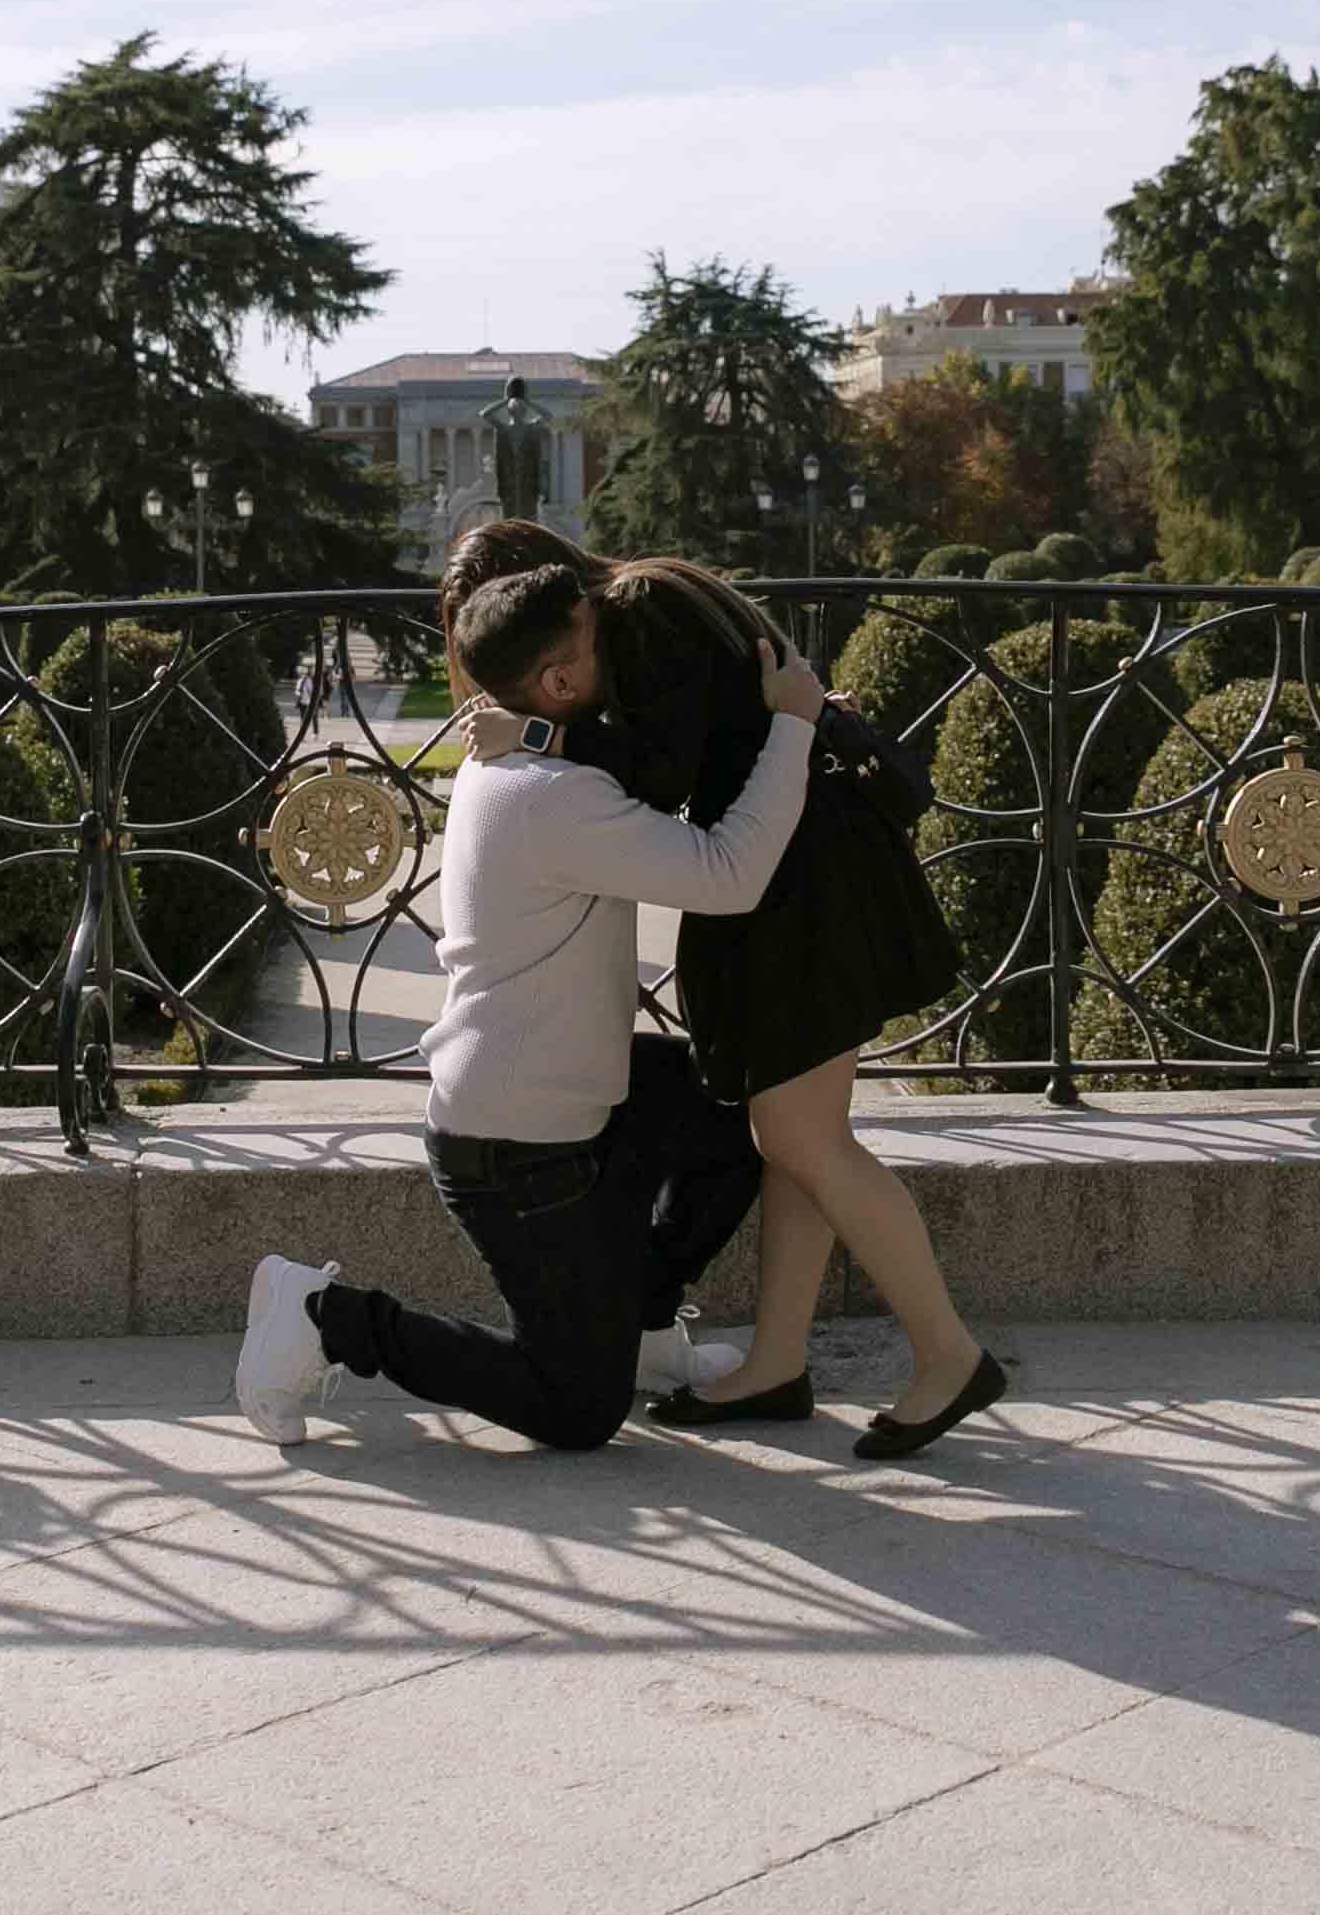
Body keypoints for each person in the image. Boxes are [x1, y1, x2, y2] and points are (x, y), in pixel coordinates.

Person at [443, 522, 1000, 1461]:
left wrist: (541, 732)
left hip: (801, 881)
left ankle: (949, 1353)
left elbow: (661, 775)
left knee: (800, 1138)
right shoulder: (638, 602)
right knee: (794, 1141)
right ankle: (775, 1364)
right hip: (789, 869)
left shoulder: (636, 608)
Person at [231, 571, 823, 1452]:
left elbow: (605, 753)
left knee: (736, 1117)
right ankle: (326, 1317)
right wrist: (794, 727)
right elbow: (725, 874)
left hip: (568, 1091)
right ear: (553, 681)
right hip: (516, 1149)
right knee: (576, 1410)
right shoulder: (553, 795)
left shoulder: (514, 757)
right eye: (598, 645)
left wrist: (550, 725)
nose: (617, 658)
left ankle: (644, 1330)